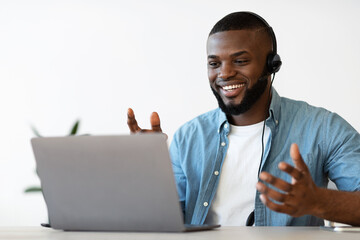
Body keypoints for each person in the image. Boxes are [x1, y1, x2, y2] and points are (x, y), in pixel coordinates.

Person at [127, 12, 360, 226]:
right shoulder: (188, 137)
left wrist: (318, 201)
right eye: (214, 64)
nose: (225, 73)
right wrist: (150, 173)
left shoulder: (323, 128)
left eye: (240, 61)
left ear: (272, 66)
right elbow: (164, 224)